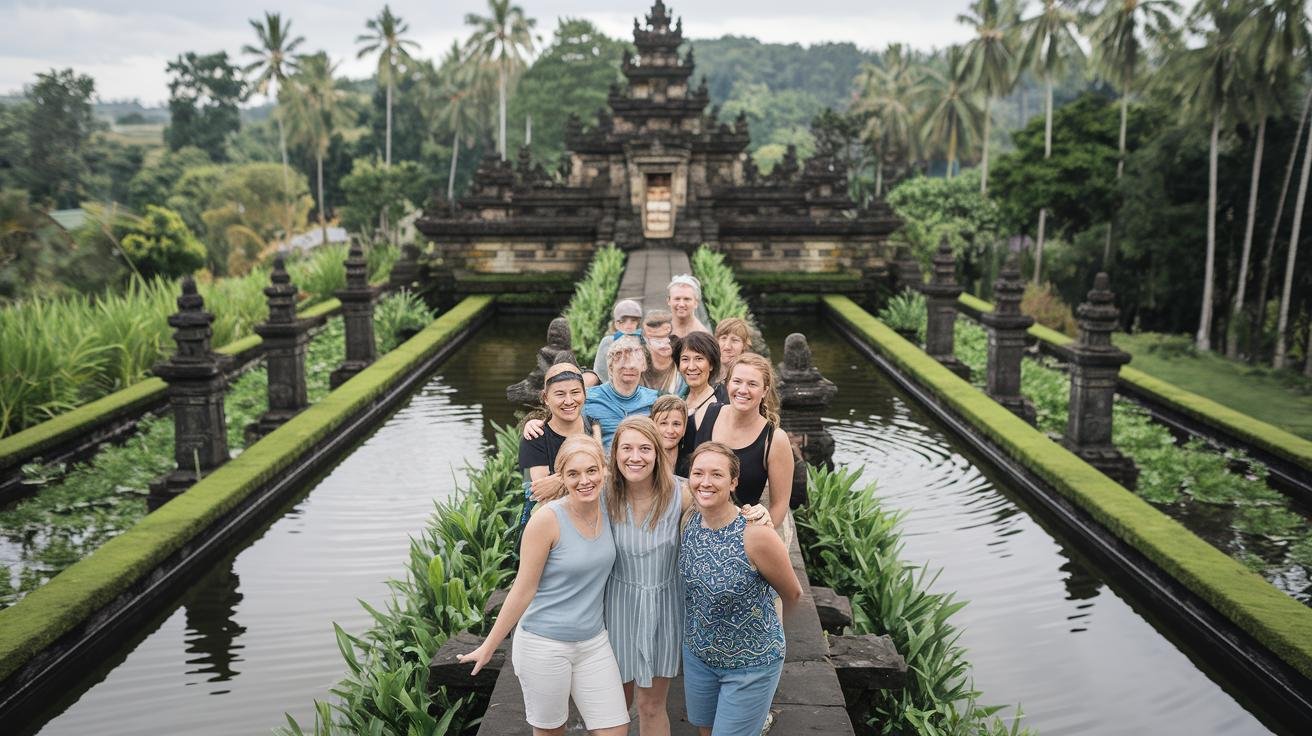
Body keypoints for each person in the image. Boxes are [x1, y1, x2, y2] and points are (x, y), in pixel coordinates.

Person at [606, 417, 773, 736]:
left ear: (657, 453)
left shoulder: (678, 494)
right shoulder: (604, 495)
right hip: (616, 610)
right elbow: (570, 493)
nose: (635, 457)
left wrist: (755, 514)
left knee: (651, 706)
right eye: (626, 448)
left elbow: (717, 503)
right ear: (614, 453)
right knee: (613, 709)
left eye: (644, 448)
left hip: (664, 610)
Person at [459, 436, 630, 736]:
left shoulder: (609, 505)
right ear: (561, 477)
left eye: (591, 470)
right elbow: (523, 589)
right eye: (573, 474)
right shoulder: (547, 520)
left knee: (616, 729)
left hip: (593, 642)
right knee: (552, 732)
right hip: (544, 645)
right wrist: (489, 646)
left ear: (604, 470)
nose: (584, 481)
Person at [679, 442, 802, 736]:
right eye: (698, 473)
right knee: (705, 731)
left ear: (734, 482)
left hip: (750, 664)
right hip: (699, 656)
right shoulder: (689, 520)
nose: (705, 482)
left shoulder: (755, 534)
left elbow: (794, 594)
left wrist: (770, 634)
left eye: (717, 475)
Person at [693, 353, 793, 527]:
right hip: (697, 525)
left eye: (752, 384)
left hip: (741, 535)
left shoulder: (774, 440)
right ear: (727, 383)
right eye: (737, 381)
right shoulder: (704, 415)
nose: (743, 390)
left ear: (765, 391)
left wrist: (760, 537)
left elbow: (779, 504)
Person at [526, 336, 659, 453]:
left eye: (634, 364)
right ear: (611, 367)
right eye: (622, 364)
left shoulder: (655, 399)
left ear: (644, 366)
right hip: (601, 470)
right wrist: (533, 423)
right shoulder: (588, 397)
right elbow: (560, 419)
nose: (628, 368)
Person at [518, 363, 601, 533]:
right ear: (546, 398)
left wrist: (559, 480)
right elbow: (545, 496)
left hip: (596, 520)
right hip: (551, 527)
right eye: (560, 394)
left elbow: (605, 475)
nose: (569, 401)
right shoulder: (536, 438)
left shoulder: (594, 426)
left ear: (585, 394)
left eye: (575, 392)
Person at [673, 331, 721, 475]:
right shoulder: (678, 399)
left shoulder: (719, 406)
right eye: (685, 359)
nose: (691, 367)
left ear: (711, 364)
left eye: (699, 359)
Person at [594, 299, 645, 382]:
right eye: (623, 321)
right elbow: (600, 369)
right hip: (611, 387)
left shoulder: (643, 341)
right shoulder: (608, 341)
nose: (628, 325)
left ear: (638, 323)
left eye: (633, 320)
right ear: (616, 323)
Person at [641, 310, 685, 395]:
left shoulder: (682, 365)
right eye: (657, 338)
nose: (664, 343)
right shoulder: (639, 367)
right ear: (646, 340)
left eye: (666, 336)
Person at [649, 395, 688, 477]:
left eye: (676, 424)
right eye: (663, 423)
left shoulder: (691, 465)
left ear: (684, 429)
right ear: (652, 426)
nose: (670, 431)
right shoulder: (645, 461)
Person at [714, 317, 753, 384]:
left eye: (735, 340)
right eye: (723, 338)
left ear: (744, 346)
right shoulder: (709, 372)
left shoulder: (749, 376)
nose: (727, 347)